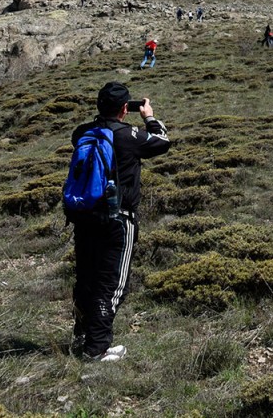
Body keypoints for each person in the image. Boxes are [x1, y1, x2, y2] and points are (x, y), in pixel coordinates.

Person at [69, 81, 171, 362]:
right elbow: (162, 142)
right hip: (118, 219)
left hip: (84, 217)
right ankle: (96, 349)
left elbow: (78, 137)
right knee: (111, 283)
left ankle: (83, 335)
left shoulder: (83, 133)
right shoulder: (128, 136)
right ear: (125, 108)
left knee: (87, 278)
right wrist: (148, 116)